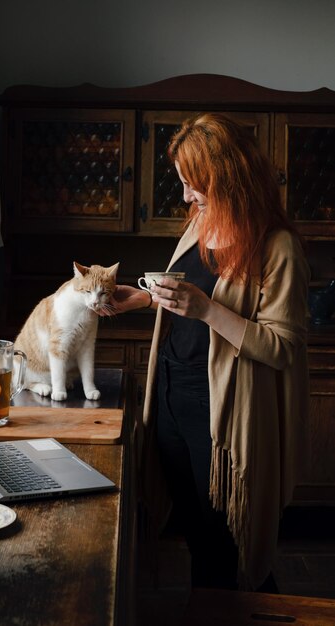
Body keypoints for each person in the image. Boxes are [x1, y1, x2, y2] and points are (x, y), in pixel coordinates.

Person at [101, 113, 310, 591]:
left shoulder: (278, 249)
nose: (185, 197)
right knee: (196, 533)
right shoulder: (200, 221)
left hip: (222, 409)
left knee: (228, 542)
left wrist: (208, 311)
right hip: (172, 392)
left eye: (194, 185)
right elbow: (185, 291)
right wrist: (139, 297)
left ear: (227, 179)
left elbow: (281, 347)